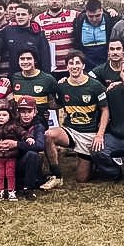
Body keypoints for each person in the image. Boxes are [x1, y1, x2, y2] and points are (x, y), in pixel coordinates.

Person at [43, 51, 108, 188]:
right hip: (70, 131)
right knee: (49, 135)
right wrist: (46, 95)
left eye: (77, 63)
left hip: (89, 133)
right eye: (71, 63)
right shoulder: (62, 86)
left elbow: (105, 110)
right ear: (67, 67)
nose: (74, 66)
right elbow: (56, 104)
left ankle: (92, 163)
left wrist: (100, 135)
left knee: (81, 179)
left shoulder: (95, 86)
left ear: (83, 65)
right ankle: (56, 176)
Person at [10, 50, 58, 128]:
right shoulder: (14, 77)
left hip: (39, 125)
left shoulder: (48, 79)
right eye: (22, 59)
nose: (25, 62)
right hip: (18, 126)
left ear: (35, 60)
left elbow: (57, 102)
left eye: (29, 58)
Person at [0, 3, 52, 76]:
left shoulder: (39, 34)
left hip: (34, 78)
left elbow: (46, 61)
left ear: (30, 16)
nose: (20, 17)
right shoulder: (8, 31)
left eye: (23, 14)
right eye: (18, 15)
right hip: (14, 78)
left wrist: (46, 79)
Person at [35, 0, 78, 77]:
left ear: (63, 0)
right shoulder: (38, 20)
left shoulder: (73, 15)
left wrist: (109, 11)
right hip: (49, 69)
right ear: (47, 0)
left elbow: (91, 14)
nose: (54, 1)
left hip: (70, 68)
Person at [70, 0, 116, 68]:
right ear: (86, 13)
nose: (94, 19)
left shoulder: (110, 19)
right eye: (90, 16)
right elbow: (76, 43)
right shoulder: (79, 21)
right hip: (86, 63)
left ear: (102, 11)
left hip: (105, 61)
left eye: (97, 15)